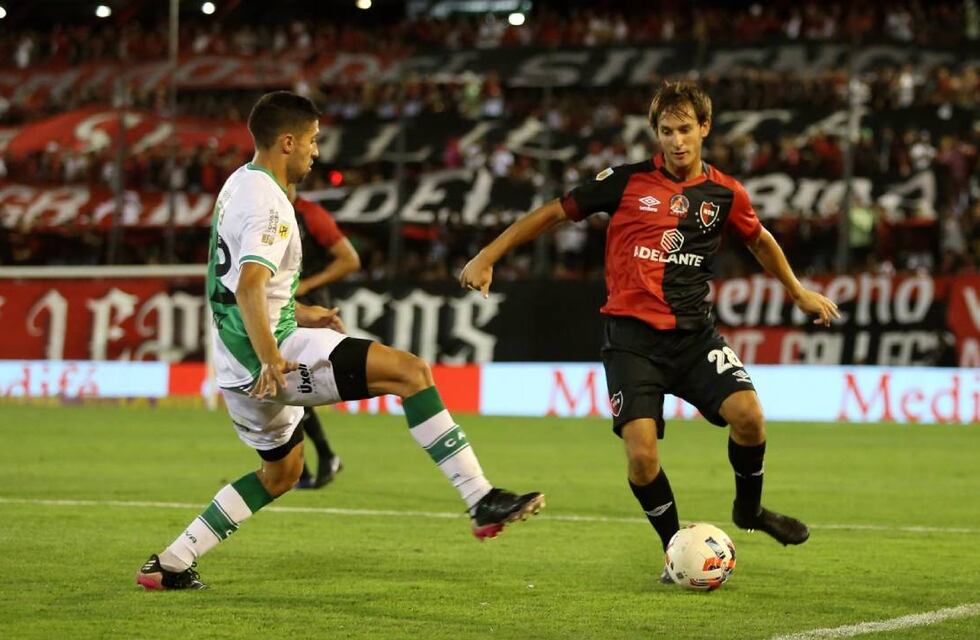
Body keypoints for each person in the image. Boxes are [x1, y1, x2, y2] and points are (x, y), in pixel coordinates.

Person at [137, 91, 544, 591]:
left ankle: (172, 562)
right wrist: (272, 357)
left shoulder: (238, 185)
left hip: (234, 363)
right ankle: (480, 497)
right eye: (312, 140)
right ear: (286, 142)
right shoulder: (271, 206)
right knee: (411, 373)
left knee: (283, 474)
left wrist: (303, 312)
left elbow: (243, 287)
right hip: (269, 357)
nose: (316, 151)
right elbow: (248, 286)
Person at [460, 81, 839, 584]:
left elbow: (760, 239)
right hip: (631, 341)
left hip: (693, 337)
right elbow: (554, 212)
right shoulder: (624, 182)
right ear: (655, 132)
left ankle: (749, 511)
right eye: (666, 131)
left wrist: (797, 291)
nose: (676, 141)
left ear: (705, 128)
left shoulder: (725, 193)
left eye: (685, 130)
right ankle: (676, 551)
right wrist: (489, 255)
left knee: (749, 417)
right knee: (641, 457)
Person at [287, 183, 361, 489]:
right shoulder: (265, 210)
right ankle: (312, 463)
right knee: (289, 387)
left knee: (292, 384)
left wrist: (306, 286)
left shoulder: (310, 214)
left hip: (310, 310)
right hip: (285, 307)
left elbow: (349, 259)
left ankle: (313, 462)